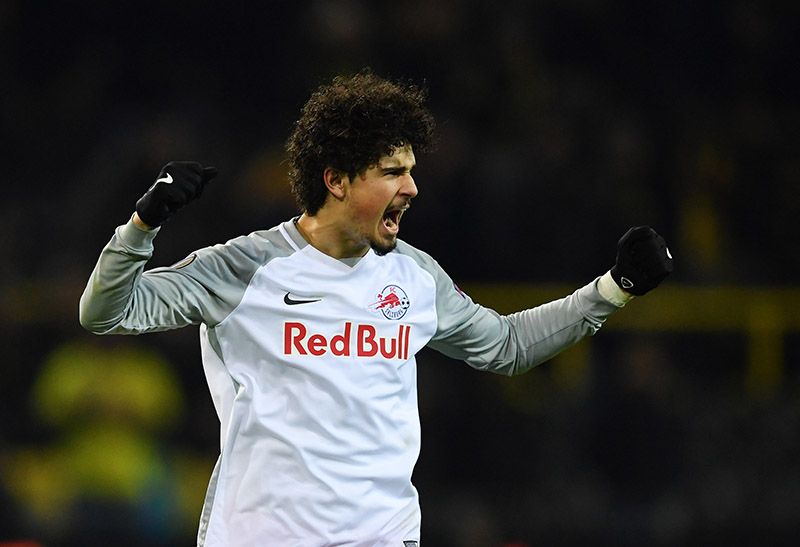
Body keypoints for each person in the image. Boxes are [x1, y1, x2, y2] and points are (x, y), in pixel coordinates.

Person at [79, 71, 673, 547]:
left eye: (411, 171)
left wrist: (612, 289)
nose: (412, 188)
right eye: (393, 173)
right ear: (337, 180)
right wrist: (142, 225)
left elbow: (506, 347)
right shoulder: (243, 268)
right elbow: (104, 312)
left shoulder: (413, 275)